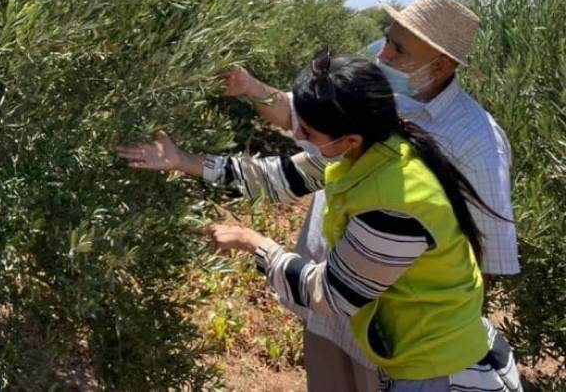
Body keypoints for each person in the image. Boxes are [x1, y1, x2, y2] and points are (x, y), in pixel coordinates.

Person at [117, 53, 522, 392]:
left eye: (308, 131)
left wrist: (253, 243)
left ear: (349, 139)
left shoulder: (396, 202)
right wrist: (181, 160)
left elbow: (327, 294)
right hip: (406, 351)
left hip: (435, 370)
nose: (301, 137)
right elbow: (276, 177)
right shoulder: (367, 148)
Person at [211, 0, 518, 391]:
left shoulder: (476, 139)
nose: (383, 54)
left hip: (395, 336)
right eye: (387, 38)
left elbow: (486, 256)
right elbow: (301, 124)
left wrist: (438, 325)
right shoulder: (383, 98)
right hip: (329, 306)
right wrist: (251, 88)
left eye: (398, 47)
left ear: (440, 65)